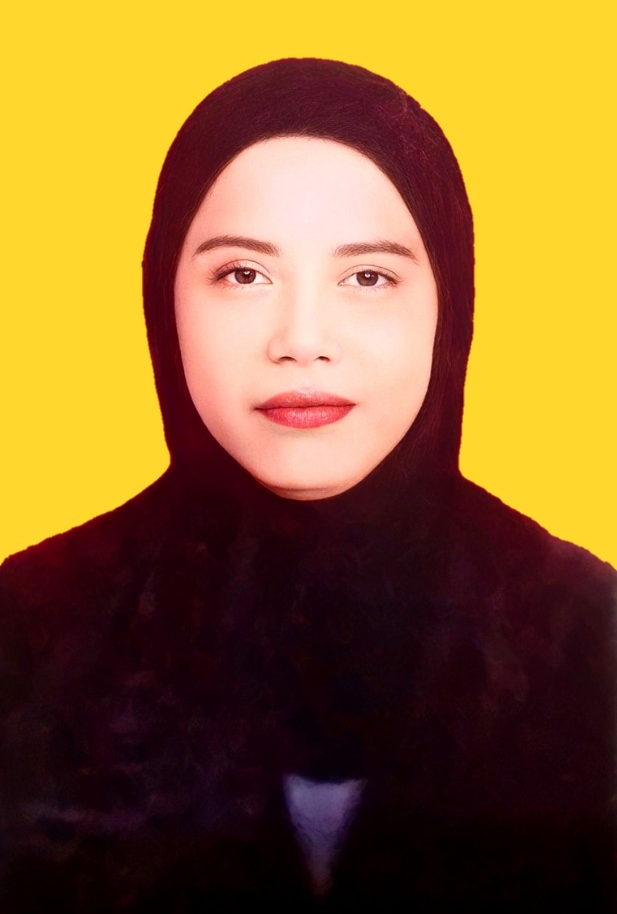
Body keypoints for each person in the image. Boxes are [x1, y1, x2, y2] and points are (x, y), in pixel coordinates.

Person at [0, 58, 615, 911]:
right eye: (242, 274)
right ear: (162, 298)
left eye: (367, 277)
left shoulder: (589, 637)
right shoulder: (27, 633)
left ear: (450, 306)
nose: (301, 338)